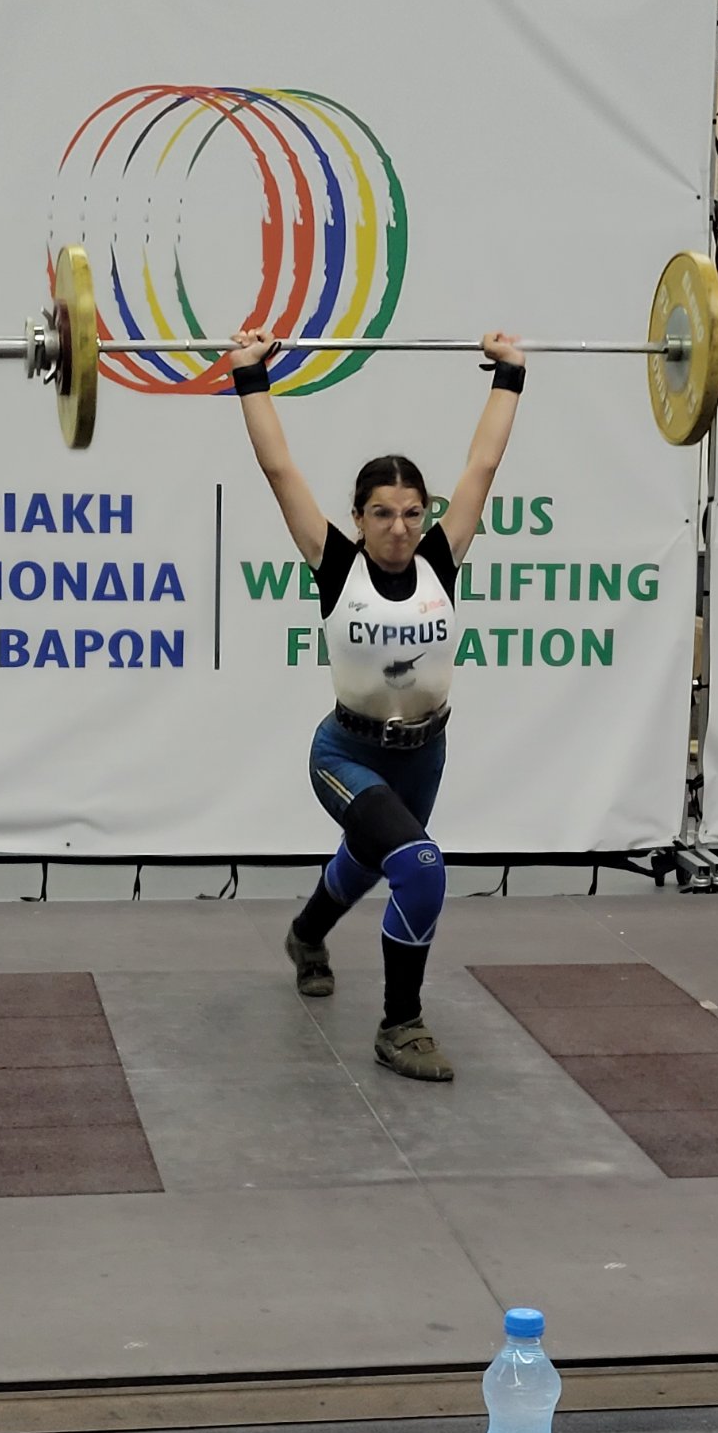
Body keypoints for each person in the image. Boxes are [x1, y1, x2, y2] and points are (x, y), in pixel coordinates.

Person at [229, 328, 525, 1081]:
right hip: (347, 753)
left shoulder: (441, 560)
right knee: (420, 866)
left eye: (412, 513)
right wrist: (250, 375)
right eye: (383, 513)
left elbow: (483, 465)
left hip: (426, 752)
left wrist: (510, 375)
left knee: (368, 859)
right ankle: (401, 1026)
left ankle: (306, 935)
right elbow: (278, 467)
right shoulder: (336, 564)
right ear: (357, 518)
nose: (399, 527)